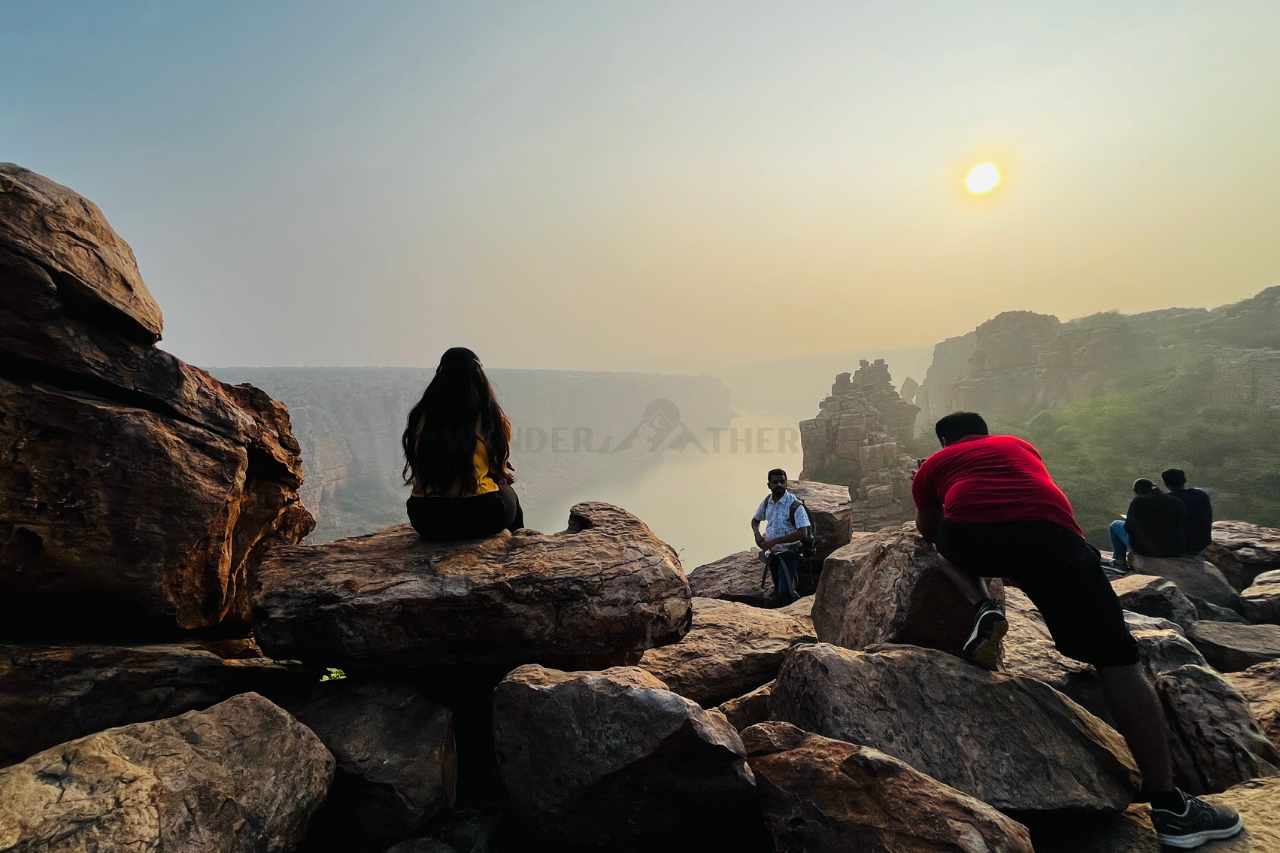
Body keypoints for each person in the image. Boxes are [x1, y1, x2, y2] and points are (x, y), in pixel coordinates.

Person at [912, 412, 1242, 849]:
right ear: (985, 434)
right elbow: (1037, 492)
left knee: (942, 548)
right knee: (1119, 662)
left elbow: (927, 528)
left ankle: (983, 607)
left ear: (943, 442)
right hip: (1052, 538)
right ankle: (1171, 807)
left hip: (973, 539)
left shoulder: (936, 465)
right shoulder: (1018, 445)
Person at [402, 347, 524, 540]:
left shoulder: (420, 417)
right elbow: (497, 471)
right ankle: (518, 548)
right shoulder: (491, 419)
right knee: (509, 494)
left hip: (426, 518)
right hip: (481, 513)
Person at [750, 469, 811, 605]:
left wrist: (775, 541)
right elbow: (755, 521)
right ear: (769, 485)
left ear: (786, 483)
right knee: (777, 590)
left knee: (786, 592)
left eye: (782, 482)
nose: (779, 485)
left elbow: (803, 533)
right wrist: (757, 535)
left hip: (789, 554)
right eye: (775, 482)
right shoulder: (767, 502)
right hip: (773, 555)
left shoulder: (794, 505)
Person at [1125, 478, 1188, 558]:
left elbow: (1128, 528)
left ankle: (1119, 562)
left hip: (1148, 551)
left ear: (1136, 492)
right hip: (1176, 549)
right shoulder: (1175, 501)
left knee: (1115, 525)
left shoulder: (1137, 502)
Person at [1163, 468, 1213, 554]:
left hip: (1179, 547)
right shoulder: (1201, 494)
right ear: (1185, 480)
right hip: (1202, 543)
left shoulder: (1165, 500)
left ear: (1166, 484)